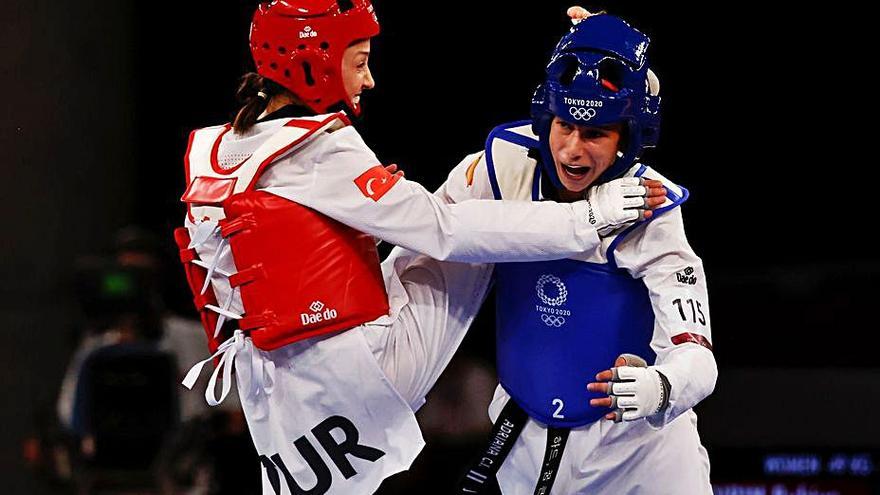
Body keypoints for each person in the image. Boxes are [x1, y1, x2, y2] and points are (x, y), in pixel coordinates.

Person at [174, 2, 665, 494]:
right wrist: (588, 214)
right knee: (485, 180)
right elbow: (444, 229)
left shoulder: (211, 150)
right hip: (361, 374)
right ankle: (610, 83)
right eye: (360, 60)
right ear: (315, 59)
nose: (369, 80)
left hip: (273, 392)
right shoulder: (320, 147)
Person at [440, 10, 716, 494]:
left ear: (627, 138)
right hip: (523, 438)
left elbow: (698, 356)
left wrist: (662, 386)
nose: (571, 150)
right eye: (565, 125)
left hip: (641, 454)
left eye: (594, 134)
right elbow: (431, 234)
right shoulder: (500, 169)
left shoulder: (651, 209)